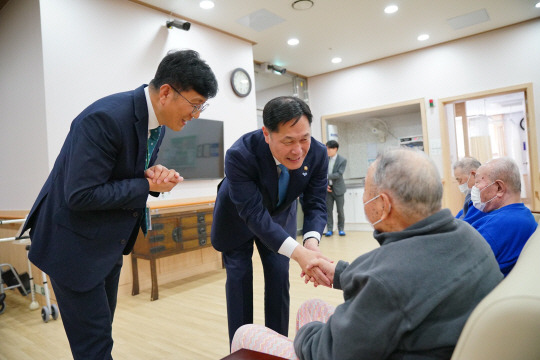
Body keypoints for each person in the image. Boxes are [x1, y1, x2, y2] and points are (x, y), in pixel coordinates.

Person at [20, 50, 218, 359]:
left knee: (100, 335)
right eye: (194, 105)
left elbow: (125, 176)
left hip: (107, 245)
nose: (196, 115)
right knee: (95, 347)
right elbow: (81, 194)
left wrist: (153, 179)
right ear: (166, 92)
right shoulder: (105, 118)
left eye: (202, 106)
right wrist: (145, 184)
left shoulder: (159, 125)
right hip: (72, 247)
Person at [232, 147, 503, 359]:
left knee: (246, 333)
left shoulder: (389, 281)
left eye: (366, 190)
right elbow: (404, 278)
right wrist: (340, 272)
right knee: (310, 307)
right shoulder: (468, 236)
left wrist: (305, 334)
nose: (363, 199)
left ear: (382, 204)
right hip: (428, 339)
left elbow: (329, 352)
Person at [211, 96, 331, 346]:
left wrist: (310, 244)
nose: (298, 150)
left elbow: (316, 203)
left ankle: (277, 347)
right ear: (267, 134)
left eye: (304, 139)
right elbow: (253, 215)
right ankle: (241, 348)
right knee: (239, 278)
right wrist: (298, 254)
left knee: (278, 275)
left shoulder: (318, 153)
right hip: (237, 216)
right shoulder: (240, 154)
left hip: (279, 215)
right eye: (288, 141)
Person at [468, 157, 537, 276]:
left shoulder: (500, 225)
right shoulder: (523, 214)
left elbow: (459, 266)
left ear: (499, 188)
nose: (474, 189)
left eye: (477, 182)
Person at [324, 140, 347, 237]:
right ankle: (330, 229)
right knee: (328, 211)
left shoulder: (342, 160)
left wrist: (326, 176)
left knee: (340, 211)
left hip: (338, 189)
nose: (327, 150)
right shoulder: (325, 159)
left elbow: (339, 174)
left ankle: (341, 229)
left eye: (329, 148)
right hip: (328, 189)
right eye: (327, 148)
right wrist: (325, 182)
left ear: (335, 149)